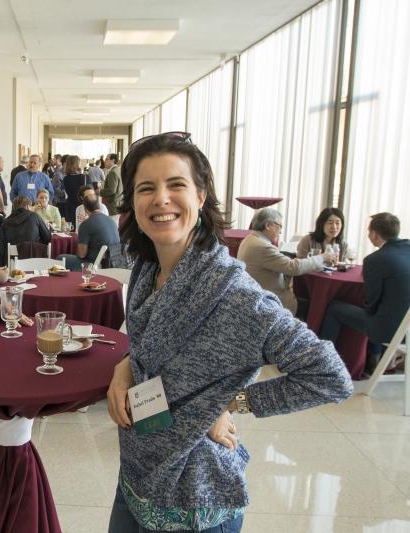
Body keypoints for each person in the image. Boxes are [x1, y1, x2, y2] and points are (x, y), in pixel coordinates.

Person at [105, 133, 352, 533]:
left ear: (201, 197)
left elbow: (329, 377)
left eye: (176, 185)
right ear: (132, 202)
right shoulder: (147, 270)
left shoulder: (234, 293)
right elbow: (152, 346)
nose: (161, 199)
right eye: (146, 188)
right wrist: (125, 365)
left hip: (194, 500)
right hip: (136, 474)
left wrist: (230, 403)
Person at [320, 213, 410, 372]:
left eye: (369, 231)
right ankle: (375, 357)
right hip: (406, 328)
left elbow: (371, 302)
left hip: (392, 330)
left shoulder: (375, 260)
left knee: (334, 308)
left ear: (375, 234)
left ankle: (321, 363)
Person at [237, 208, 333, 316]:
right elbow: (294, 267)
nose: (281, 231)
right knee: (321, 309)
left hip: (257, 296)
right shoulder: (262, 246)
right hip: (271, 303)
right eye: (279, 226)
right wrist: (322, 257)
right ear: (268, 225)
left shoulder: (249, 239)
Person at [57, 191, 120, 271]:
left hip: (94, 264)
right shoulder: (112, 221)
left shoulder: (86, 224)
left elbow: (82, 255)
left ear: (85, 208)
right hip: (113, 262)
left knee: (60, 258)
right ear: (99, 206)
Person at [0, 196, 52, 266]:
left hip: (12, 262)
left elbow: (1, 246)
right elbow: (48, 238)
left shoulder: (6, 221)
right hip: (35, 260)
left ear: (14, 207)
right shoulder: (34, 216)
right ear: (27, 206)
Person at [62, 154, 91, 223]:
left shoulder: (66, 178)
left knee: (71, 226)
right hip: (82, 205)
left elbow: (68, 193)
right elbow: (90, 191)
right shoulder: (85, 177)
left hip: (70, 205)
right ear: (77, 164)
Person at [100, 153, 123, 222]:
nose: (105, 161)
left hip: (112, 205)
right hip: (118, 202)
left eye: (107, 159)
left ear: (113, 161)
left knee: (113, 224)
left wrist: (99, 192)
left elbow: (112, 190)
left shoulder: (112, 172)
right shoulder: (118, 170)